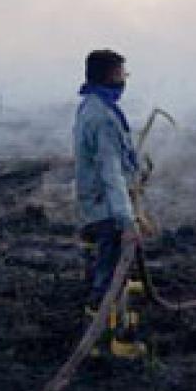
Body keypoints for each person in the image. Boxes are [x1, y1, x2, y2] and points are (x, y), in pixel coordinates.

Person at [73, 49, 144, 357]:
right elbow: (110, 172)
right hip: (106, 209)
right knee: (111, 276)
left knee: (108, 272)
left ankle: (103, 337)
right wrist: (126, 219)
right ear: (107, 76)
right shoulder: (103, 117)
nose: (124, 79)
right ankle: (113, 342)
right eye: (120, 74)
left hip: (96, 204)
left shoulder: (91, 106)